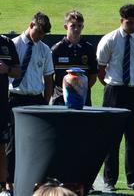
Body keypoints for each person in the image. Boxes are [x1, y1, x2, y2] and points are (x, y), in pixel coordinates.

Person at [96, 4, 134, 192]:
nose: (133, 26)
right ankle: (110, 180)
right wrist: (112, 86)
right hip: (114, 91)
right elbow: (101, 69)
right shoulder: (109, 40)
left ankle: (133, 180)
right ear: (121, 21)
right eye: (129, 22)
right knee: (112, 139)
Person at [6, 12, 54, 194]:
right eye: (39, 32)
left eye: (43, 34)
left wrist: (45, 103)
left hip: (36, 98)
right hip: (15, 97)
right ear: (31, 25)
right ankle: (9, 182)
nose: (40, 37)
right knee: (12, 141)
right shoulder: (14, 45)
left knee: (38, 142)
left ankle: (35, 182)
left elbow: (48, 79)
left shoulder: (44, 50)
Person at [50, 10, 97, 106]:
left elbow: (93, 76)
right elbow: (49, 76)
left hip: (83, 100)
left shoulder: (88, 49)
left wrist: (80, 90)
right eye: (73, 26)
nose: (76, 29)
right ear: (66, 27)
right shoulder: (57, 49)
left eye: (79, 26)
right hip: (60, 100)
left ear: (83, 27)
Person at [0, 33, 20, 196]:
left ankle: (4, 186)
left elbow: (17, 71)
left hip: (2, 105)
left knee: (2, 146)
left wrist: (7, 69)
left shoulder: (7, 43)